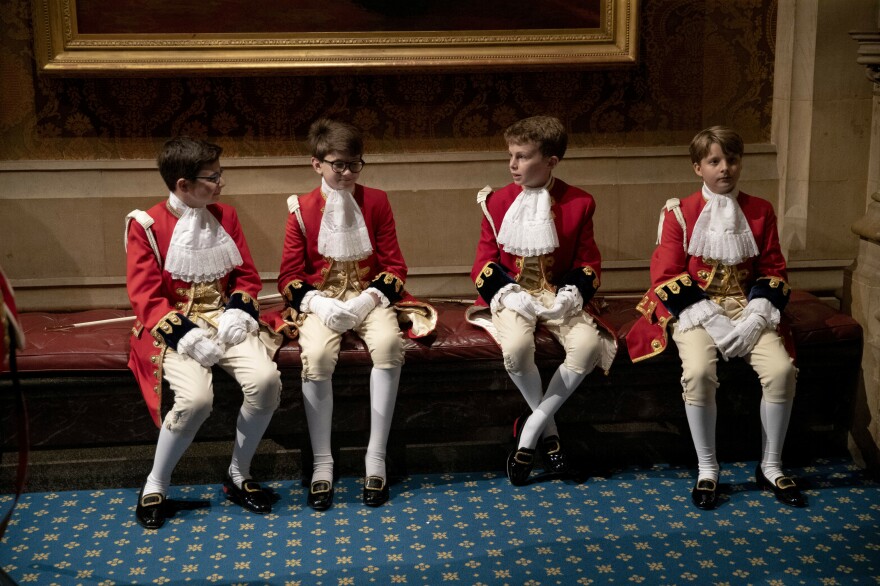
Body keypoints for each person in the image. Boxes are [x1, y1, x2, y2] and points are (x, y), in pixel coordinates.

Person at [626, 126, 806, 510]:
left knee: (781, 371)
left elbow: (774, 268)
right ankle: (708, 468)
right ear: (698, 168)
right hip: (693, 309)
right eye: (714, 161)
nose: (725, 168)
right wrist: (717, 324)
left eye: (732, 160)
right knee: (698, 372)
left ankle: (771, 466)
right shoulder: (679, 212)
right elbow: (666, 275)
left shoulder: (760, 210)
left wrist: (756, 318)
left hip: (749, 307)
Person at [275, 118, 435, 511]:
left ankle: (375, 457)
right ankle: (323, 465)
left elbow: (395, 266)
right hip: (322, 302)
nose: (346, 172)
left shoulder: (376, 201)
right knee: (317, 356)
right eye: (338, 165)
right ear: (318, 164)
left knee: (387, 345)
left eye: (354, 164)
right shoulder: (300, 209)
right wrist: (317, 303)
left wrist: (367, 301)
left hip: (370, 297)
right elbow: (289, 276)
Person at [125, 137, 283, 529]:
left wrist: (237, 311)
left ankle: (238, 474)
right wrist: (189, 337)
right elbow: (145, 295)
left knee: (265, 382)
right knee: (195, 400)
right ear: (183, 184)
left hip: (225, 321)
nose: (221, 183)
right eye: (213, 177)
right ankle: (155, 484)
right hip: (174, 329)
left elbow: (246, 274)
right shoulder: (144, 226)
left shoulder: (225, 216)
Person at [466, 115, 617, 486]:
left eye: (522, 156)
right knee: (516, 347)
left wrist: (569, 297)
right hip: (512, 296)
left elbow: (588, 263)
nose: (512, 165)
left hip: (559, 296)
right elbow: (483, 264)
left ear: (551, 161)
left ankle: (530, 429)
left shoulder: (580, 202)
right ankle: (550, 438)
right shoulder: (496, 201)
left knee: (586, 345)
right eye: (511, 156)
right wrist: (509, 294)